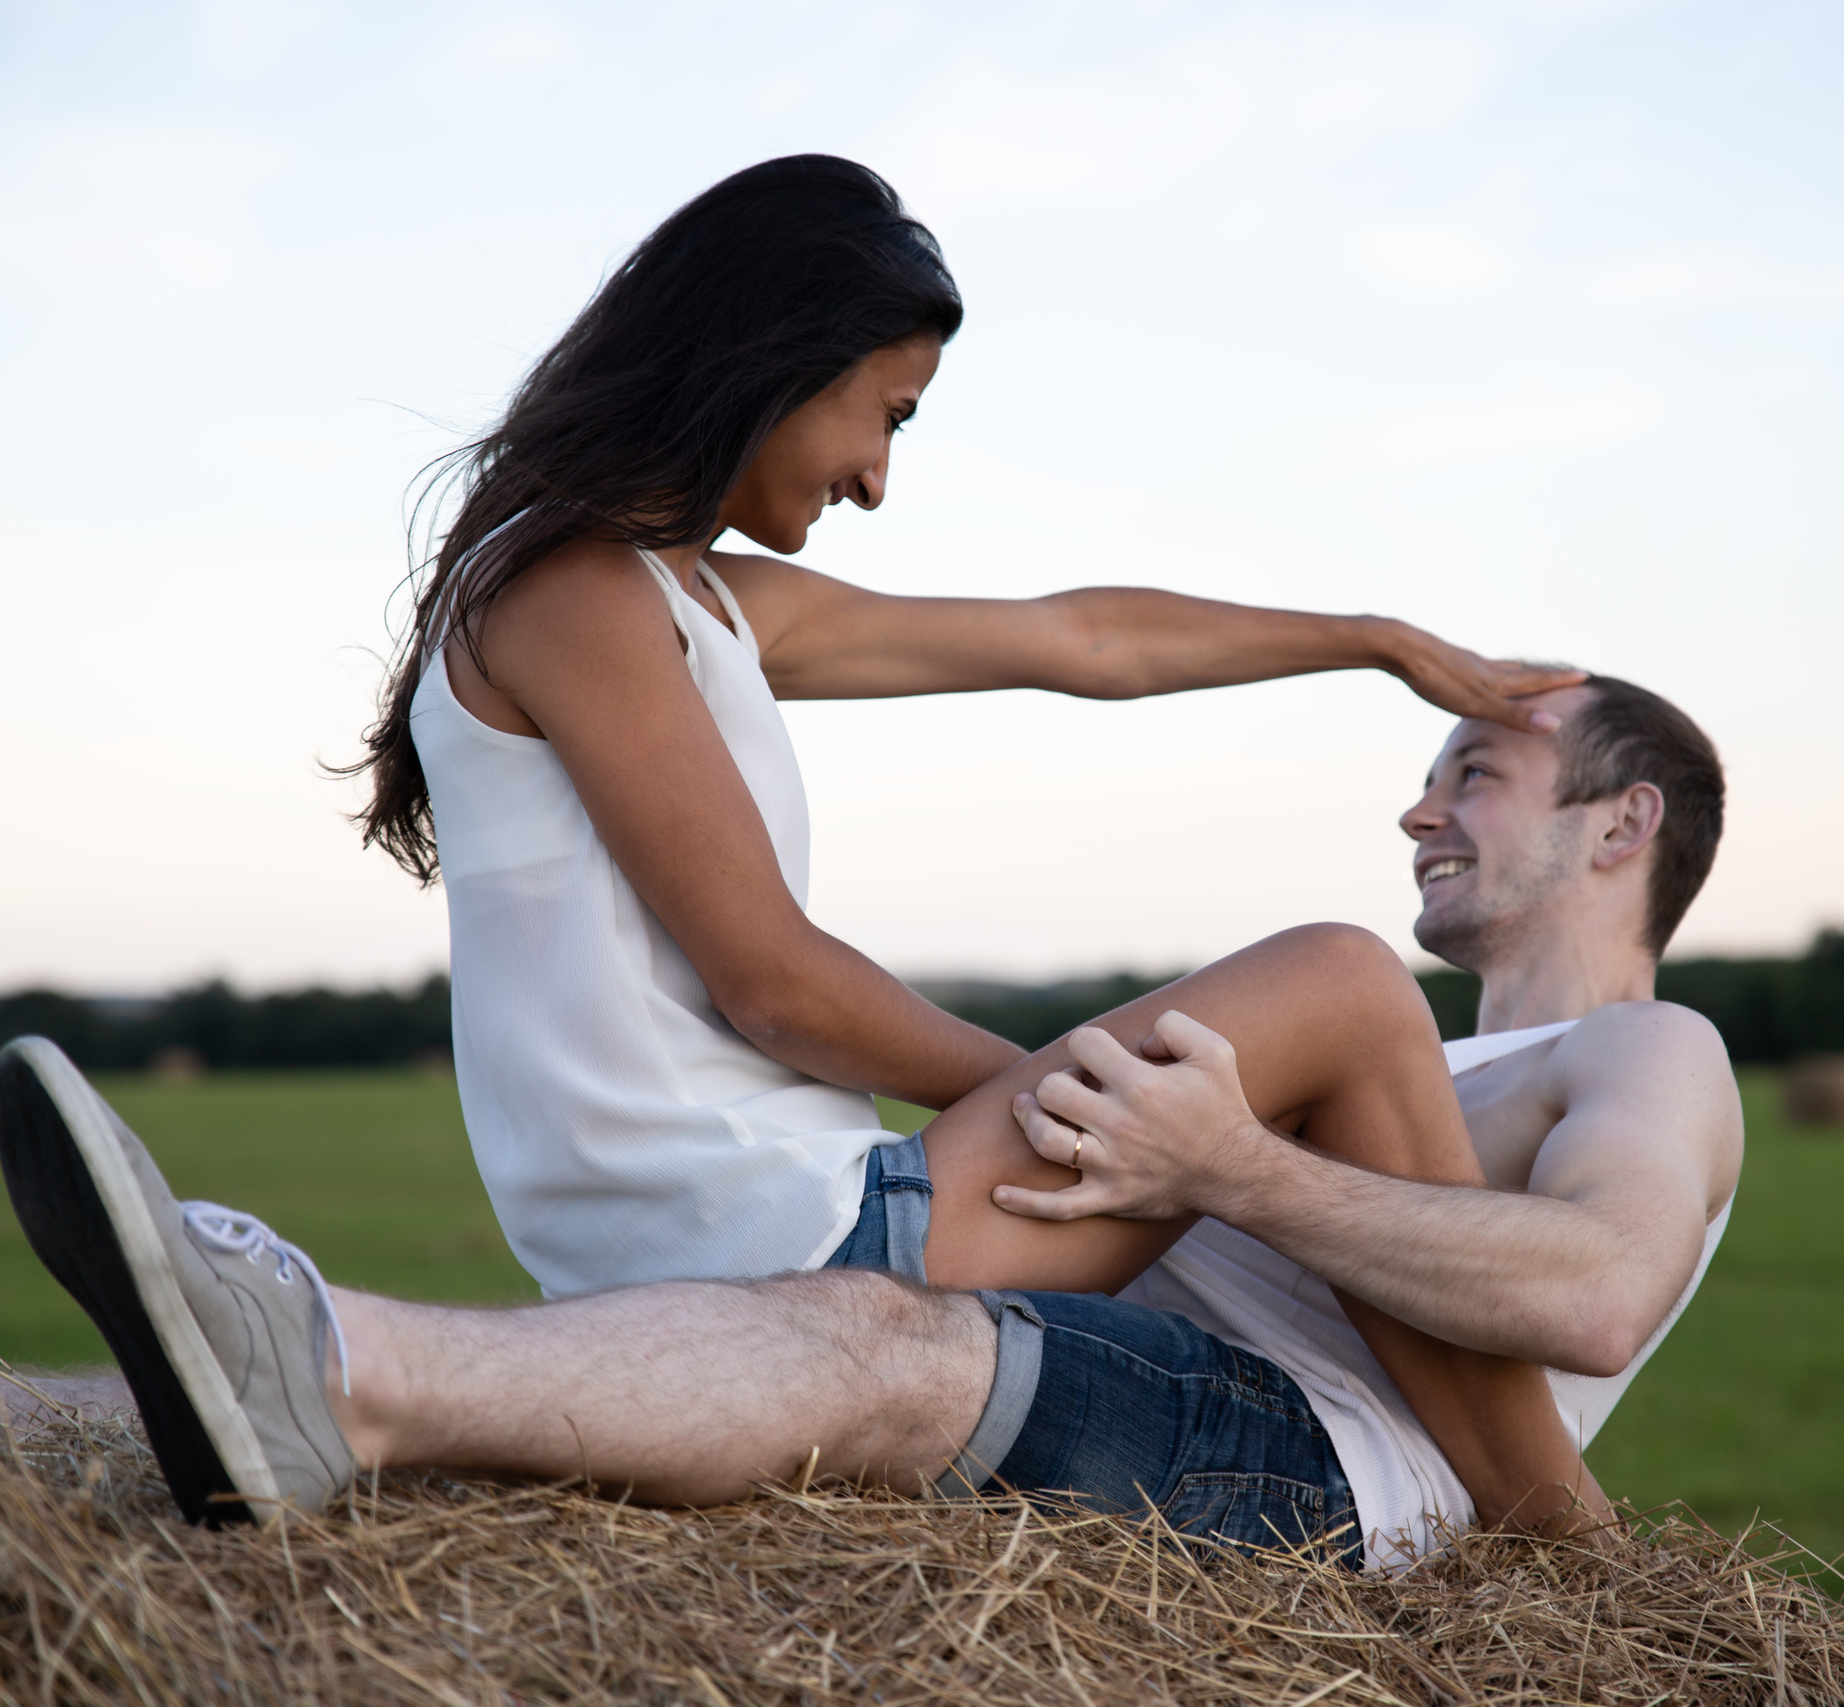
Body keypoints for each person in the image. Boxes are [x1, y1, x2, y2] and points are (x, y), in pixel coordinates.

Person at [0, 677, 1743, 1568]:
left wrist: (1232, 1165)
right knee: (595, 1407)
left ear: (1616, 822)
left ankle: (330, 1354)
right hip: (1145, 1354)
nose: (1422, 806)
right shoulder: (1378, 1040)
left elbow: (1586, 1289)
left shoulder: (1654, 1061)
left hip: (1311, 1468)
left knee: (877, 1347)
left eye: (1469, 771)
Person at [343, 149, 1592, 1499]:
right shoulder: (574, 595)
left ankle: (1531, 1515)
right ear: (775, 360)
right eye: (887, 413)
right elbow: (775, 988)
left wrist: (1367, 638)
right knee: (1345, 985)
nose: (876, 475)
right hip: (779, 1254)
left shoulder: (690, 601)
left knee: (1307, 1032)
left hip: (778, 1233)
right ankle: (1570, 1547)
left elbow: (1087, 638)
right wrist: (1103, 1105)